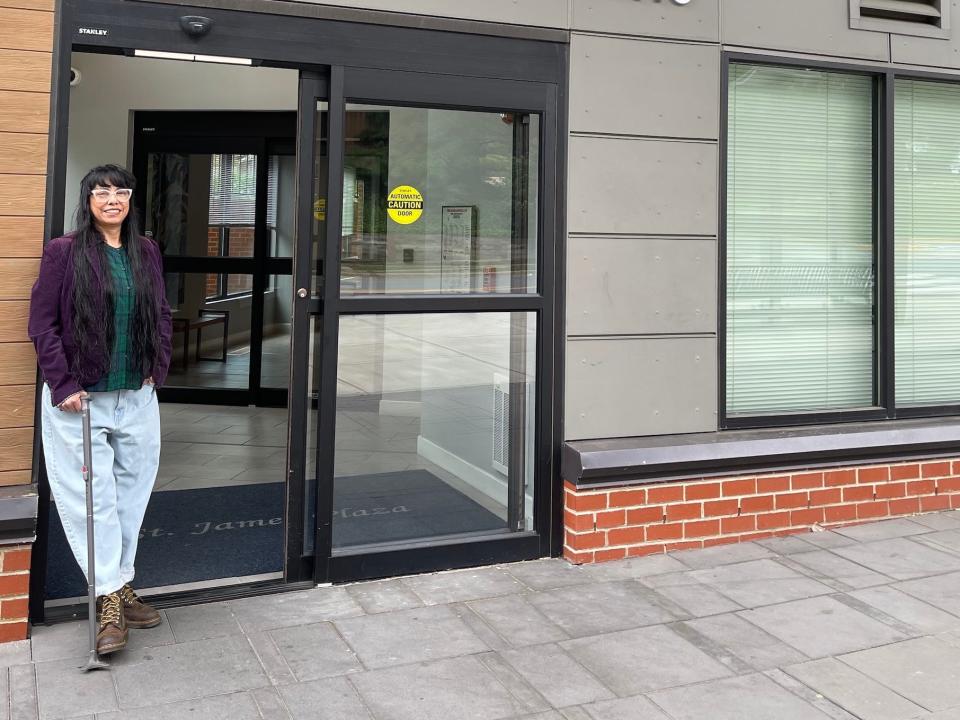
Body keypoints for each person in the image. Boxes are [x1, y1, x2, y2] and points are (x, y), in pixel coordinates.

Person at [29, 164, 172, 655]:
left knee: (133, 493)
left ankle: (119, 581)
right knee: (92, 500)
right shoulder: (64, 253)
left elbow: (160, 312)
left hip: (136, 393)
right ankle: (109, 600)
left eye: (121, 191)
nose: (112, 199)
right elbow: (42, 324)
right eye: (102, 191)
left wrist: (159, 364)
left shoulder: (146, 250)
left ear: (130, 199)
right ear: (87, 199)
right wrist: (62, 383)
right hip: (81, 398)